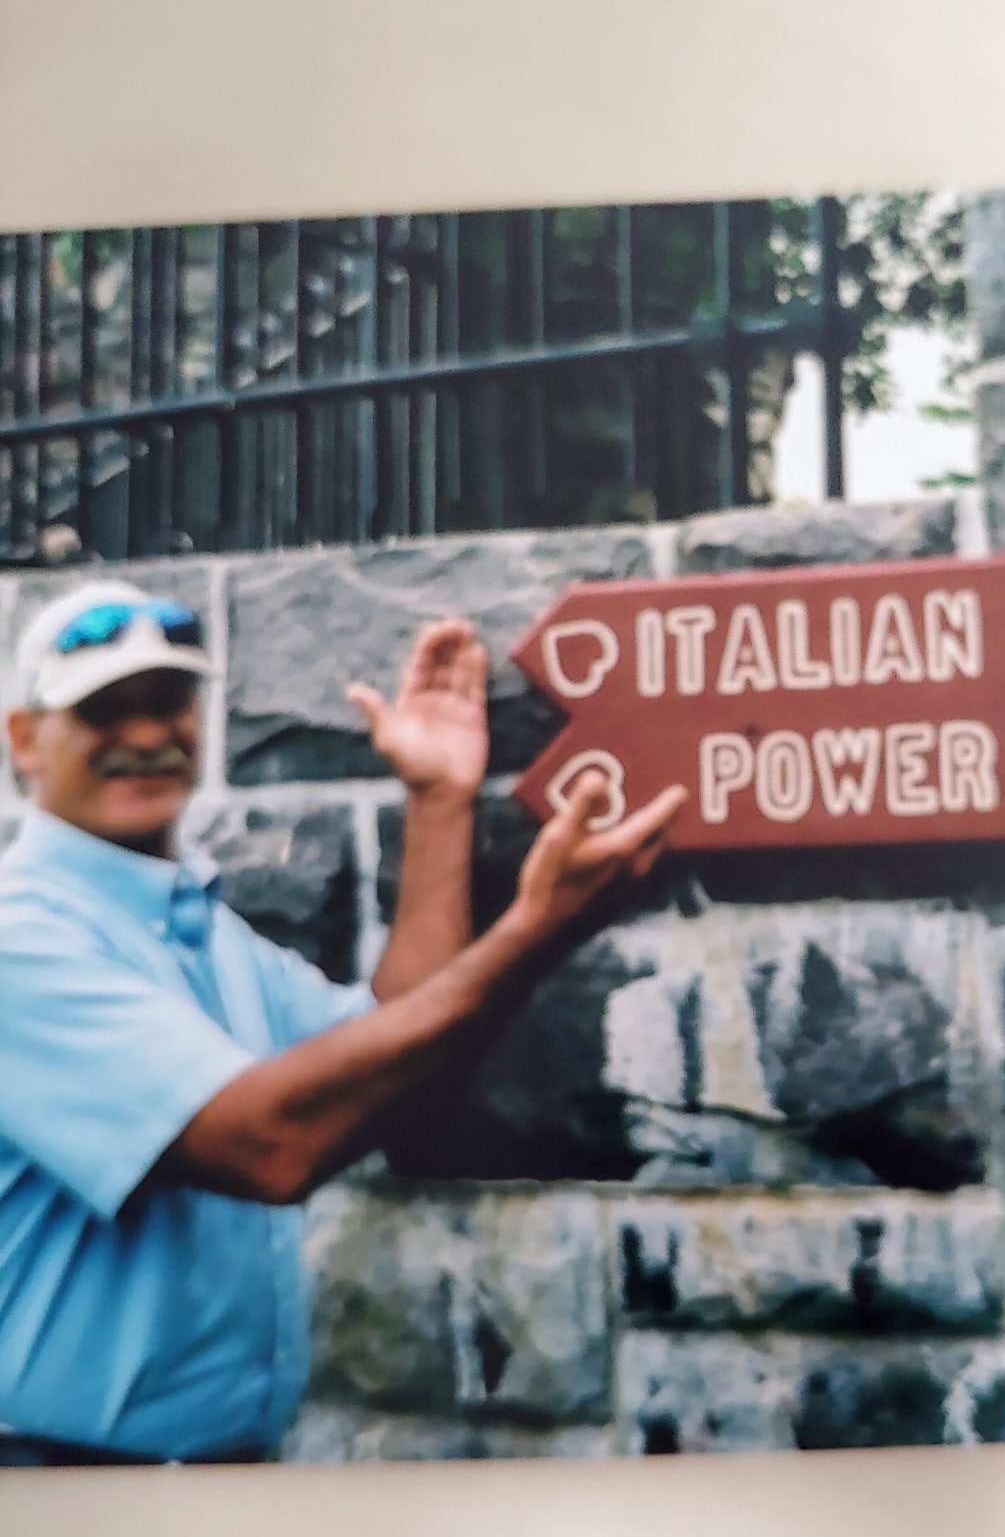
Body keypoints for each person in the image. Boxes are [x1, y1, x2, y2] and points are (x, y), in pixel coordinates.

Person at [0, 580, 685, 1467]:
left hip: (205, 1478)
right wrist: (535, 932)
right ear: (23, 740)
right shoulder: (19, 938)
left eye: (168, 702)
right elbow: (271, 1143)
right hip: (51, 1488)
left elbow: (397, 1044)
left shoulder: (207, 935)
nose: (143, 736)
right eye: (102, 710)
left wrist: (439, 803)